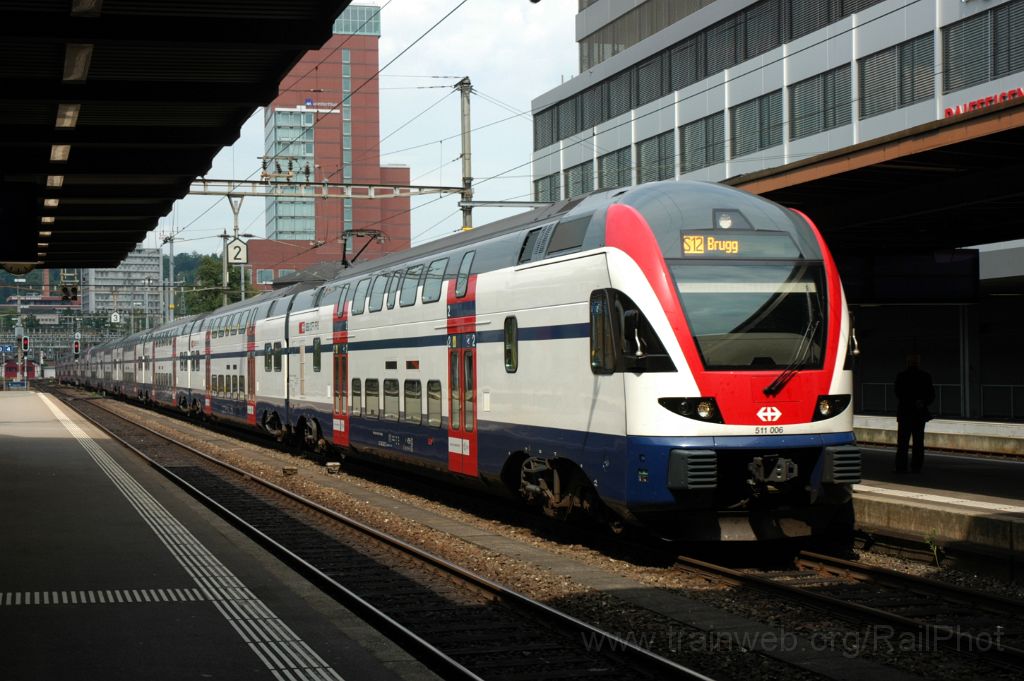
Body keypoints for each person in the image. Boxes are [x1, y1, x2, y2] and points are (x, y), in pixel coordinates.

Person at [893, 354, 935, 473]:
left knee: (902, 443)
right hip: (919, 414)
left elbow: (898, 393)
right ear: (918, 363)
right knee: (918, 443)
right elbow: (931, 395)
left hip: (905, 413)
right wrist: (922, 402)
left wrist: (909, 402)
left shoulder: (901, 376)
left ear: (907, 362)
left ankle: (901, 467)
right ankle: (916, 467)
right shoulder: (925, 376)